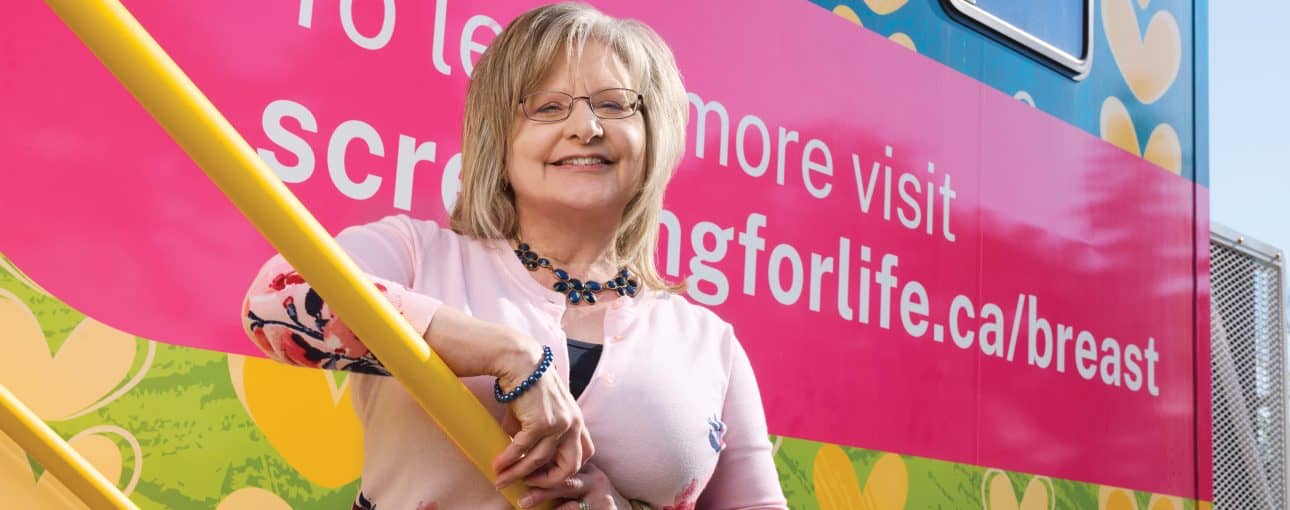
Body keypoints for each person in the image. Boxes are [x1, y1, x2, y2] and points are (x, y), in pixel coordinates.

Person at [241, 3, 786, 509]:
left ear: (652, 136)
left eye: (613, 104)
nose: (585, 128)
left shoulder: (711, 346)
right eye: (548, 107)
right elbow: (274, 301)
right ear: (499, 140)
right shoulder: (417, 254)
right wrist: (511, 357)